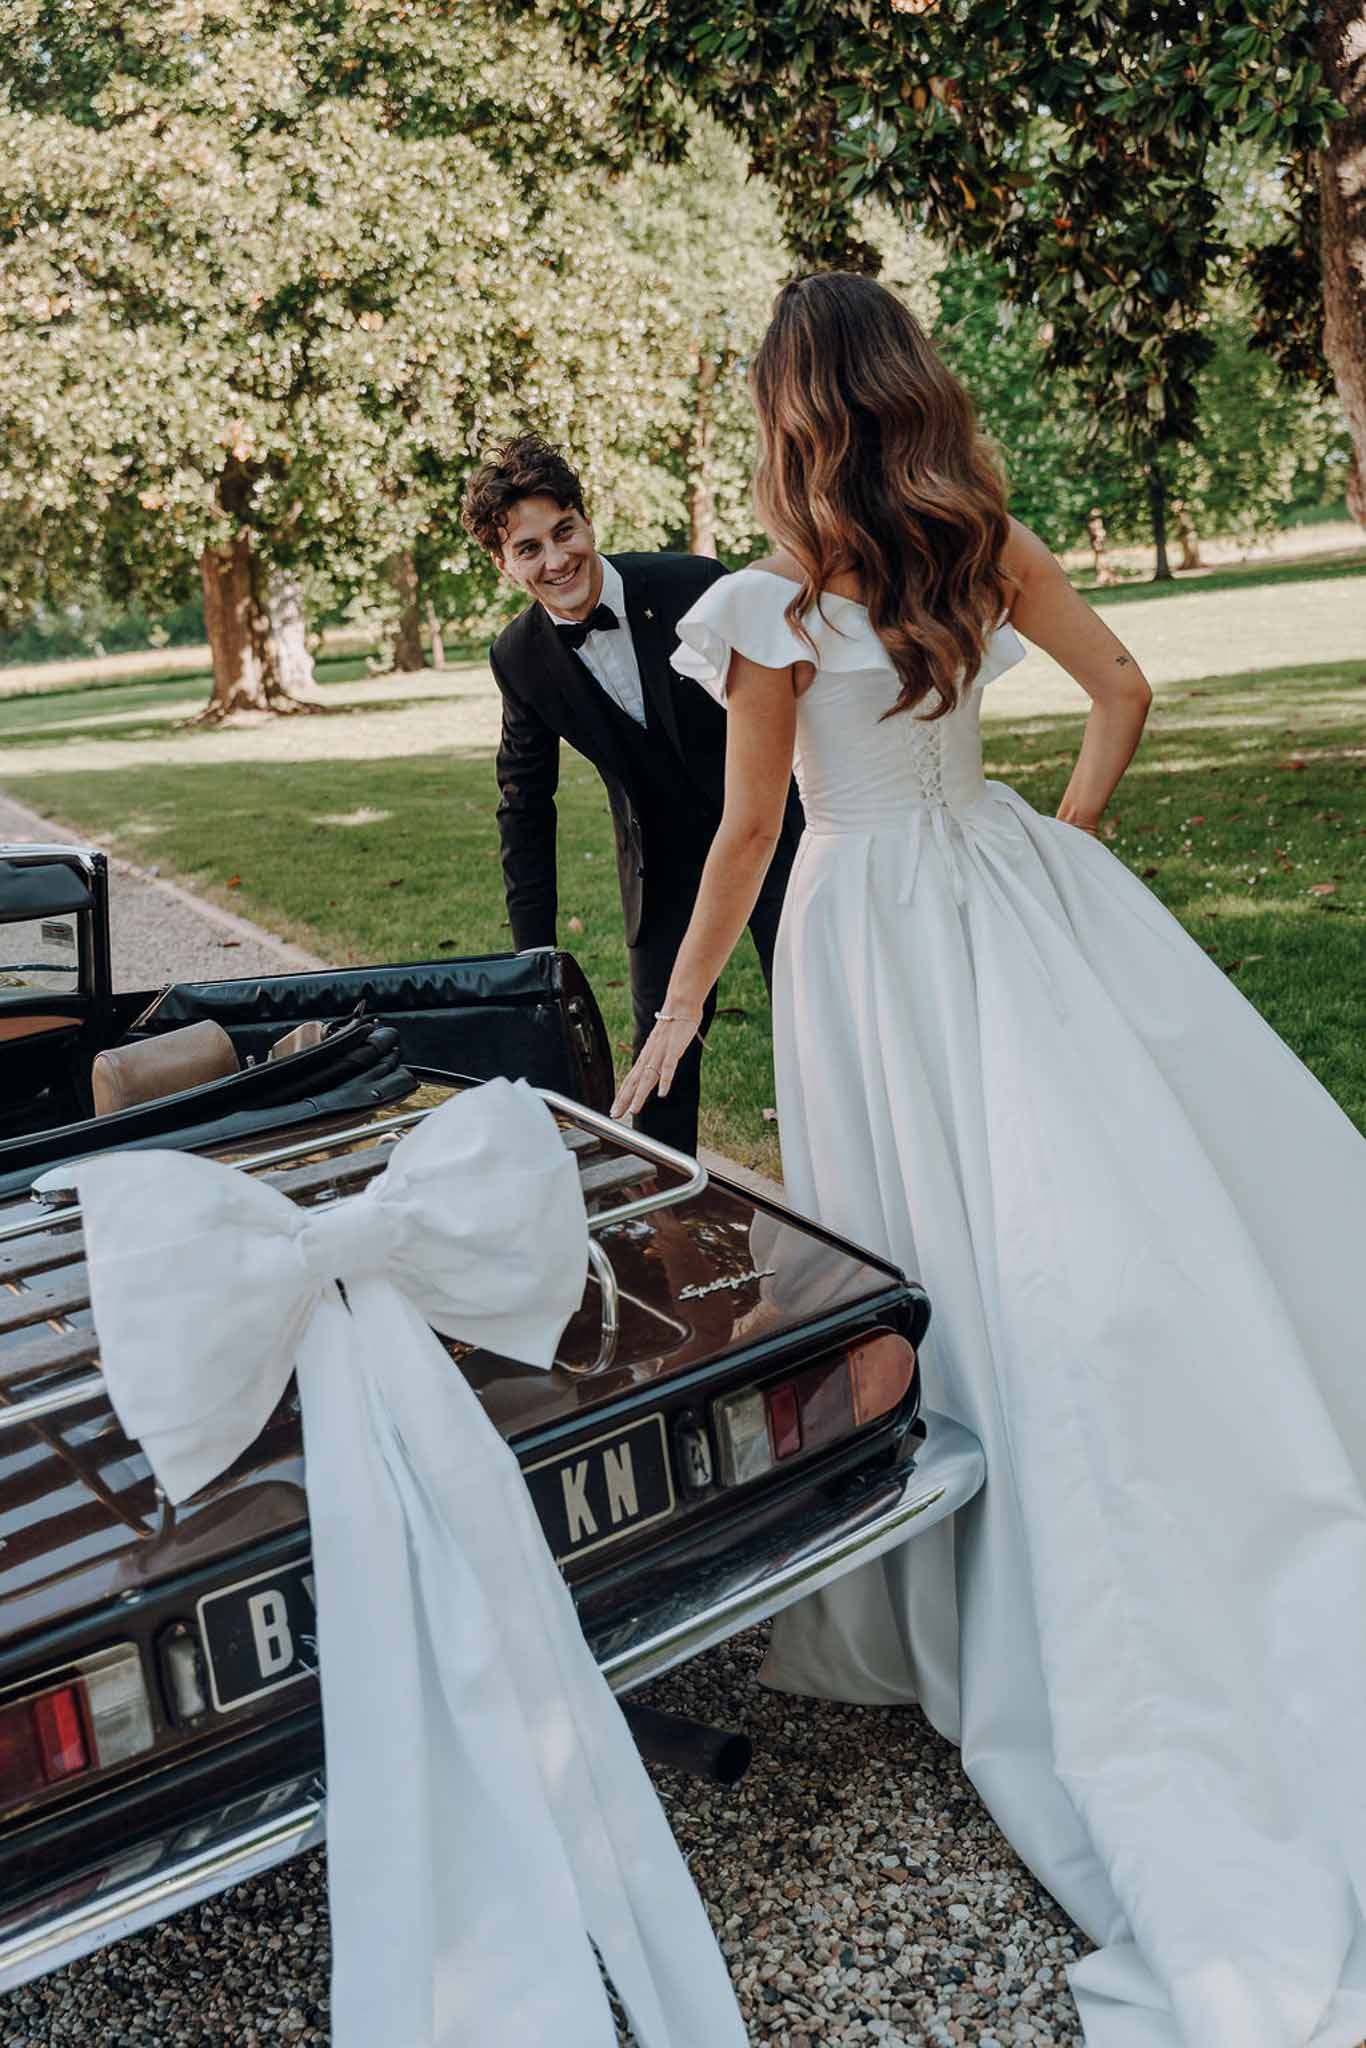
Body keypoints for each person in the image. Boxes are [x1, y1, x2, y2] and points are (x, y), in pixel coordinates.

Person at [612, 272, 1366, 2047]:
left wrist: (672, 1020)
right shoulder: (979, 536)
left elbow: (741, 838)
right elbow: (1123, 690)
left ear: (793, 410)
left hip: (868, 940)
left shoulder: (773, 607)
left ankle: (1001, 1561)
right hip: (1005, 898)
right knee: (1082, 1214)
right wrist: (1060, 849)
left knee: (938, 1238)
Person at [462, 434, 803, 1156]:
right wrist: (536, 966)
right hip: (662, 864)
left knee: (812, 1019)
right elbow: (524, 806)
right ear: (502, 564)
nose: (556, 560)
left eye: (563, 531)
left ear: (586, 520)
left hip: (773, 835)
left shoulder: (695, 582)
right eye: (528, 549)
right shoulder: (517, 657)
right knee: (661, 1058)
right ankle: (664, 1210)